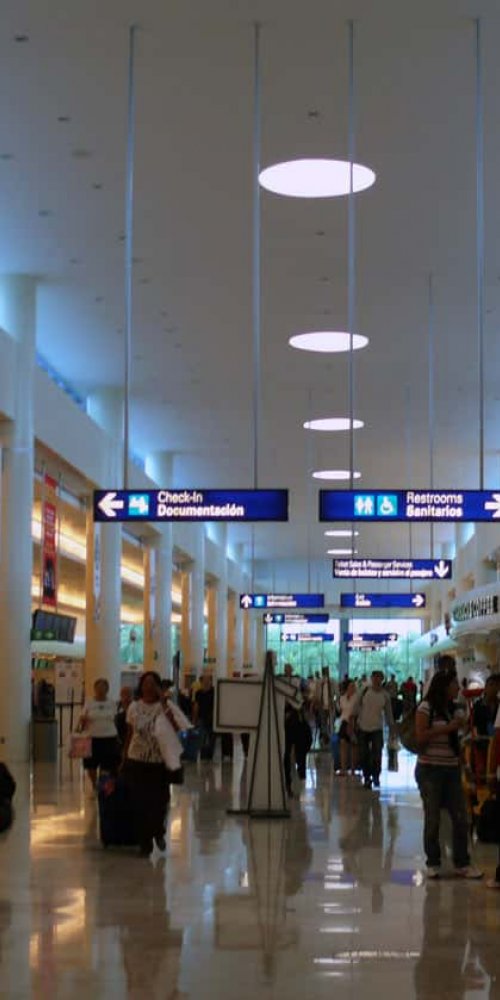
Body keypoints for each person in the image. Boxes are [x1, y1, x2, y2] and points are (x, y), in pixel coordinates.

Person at [415, 668, 482, 880]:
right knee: (433, 817)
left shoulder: (455, 709)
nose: (458, 688)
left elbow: (457, 741)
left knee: (461, 816)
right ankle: (433, 862)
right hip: (430, 770)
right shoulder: (426, 708)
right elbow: (420, 736)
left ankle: (462, 862)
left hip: (452, 769)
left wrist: (465, 764)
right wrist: (448, 728)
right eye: (454, 684)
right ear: (444, 687)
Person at [123, 671, 181, 857]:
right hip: (137, 760)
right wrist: (124, 758)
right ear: (141, 686)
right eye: (145, 683)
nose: (148, 686)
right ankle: (145, 844)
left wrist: (164, 703)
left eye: (152, 683)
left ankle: (158, 831)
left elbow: (176, 727)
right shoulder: (133, 707)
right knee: (139, 804)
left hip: (158, 762)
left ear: (158, 687)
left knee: (159, 801)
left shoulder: (164, 707)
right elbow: (130, 733)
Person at [78, 678, 120, 792]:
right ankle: (94, 783)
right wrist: (83, 719)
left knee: (107, 765)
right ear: (94, 689)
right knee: (91, 765)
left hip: (109, 738)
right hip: (91, 738)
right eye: (98, 687)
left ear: (107, 689)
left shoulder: (112, 703)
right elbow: (82, 717)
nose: (100, 690)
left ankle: (103, 787)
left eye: (103, 687)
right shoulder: (89, 702)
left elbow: (115, 719)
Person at [355, 670, 394, 789]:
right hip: (363, 727)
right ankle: (367, 777)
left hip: (377, 728)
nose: (376, 680)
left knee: (377, 754)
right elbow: (356, 707)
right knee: (363, 754)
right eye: (374, 678)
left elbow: (388, 713)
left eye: (379, 678)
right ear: (371, 679)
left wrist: (391, 729)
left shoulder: (385, 695)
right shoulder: (364, 691)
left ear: (382, 680)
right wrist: (353, 722)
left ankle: (376, 775)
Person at [193, 673, 216, 760]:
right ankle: (203, 756)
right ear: (201, 682)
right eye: (204, 681)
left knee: (211, 738)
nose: (206, 682)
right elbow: (196, 706)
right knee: (201, 738)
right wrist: (194, 720)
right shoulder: (198, 693)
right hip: (202, 718)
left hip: (212, 719)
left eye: (208, 680)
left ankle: (210, 756)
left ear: (211, 681)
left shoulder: (214, 692)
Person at [337, 679, 358, 774]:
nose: (353, 688)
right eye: (351, 686)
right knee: (343, 745)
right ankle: (343, 768)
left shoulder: (357, 698)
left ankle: (353, 768)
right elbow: (341, 711)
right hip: (344, 721)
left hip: (354, 722)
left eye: (354, 686)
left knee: (353, 746)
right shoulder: (342, 698)